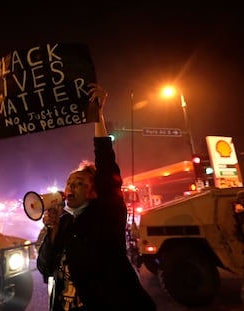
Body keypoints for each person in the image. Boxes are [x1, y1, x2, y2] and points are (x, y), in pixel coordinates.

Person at [36, 83, 156, 311]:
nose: (71, 187)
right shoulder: (63, 223)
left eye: (80, 183)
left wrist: (97, 116)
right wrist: (52, 233)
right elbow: (44, 268)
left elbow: (106, 164)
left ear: (94, 191)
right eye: (69, 183)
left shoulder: (106, 214)